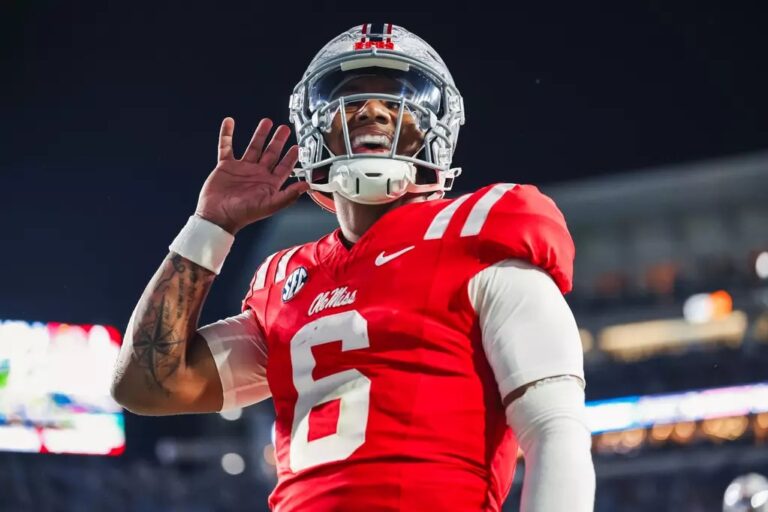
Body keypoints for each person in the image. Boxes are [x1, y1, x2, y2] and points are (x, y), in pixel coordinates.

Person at [111, 23, 595, 512]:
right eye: (351, 99)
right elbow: (147, 384)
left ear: (436, 128)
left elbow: (556, 429)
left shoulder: (478, 232)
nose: (373, 110)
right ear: (313, 127)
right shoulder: (286, 281)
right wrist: (210, 226)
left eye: (396, 98)